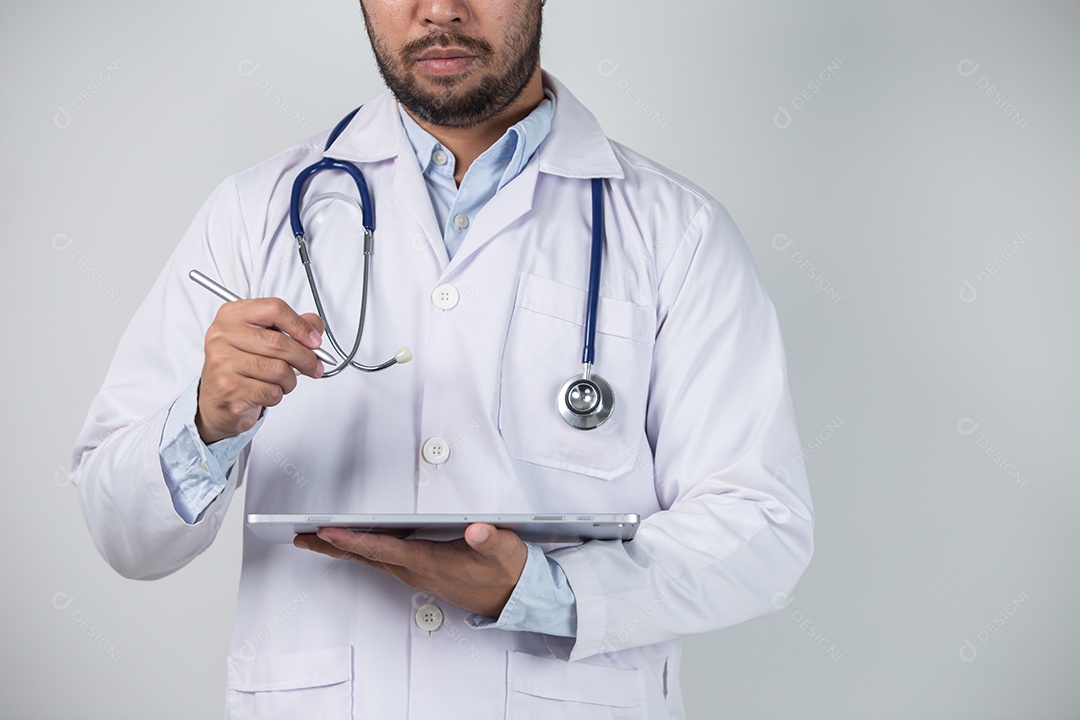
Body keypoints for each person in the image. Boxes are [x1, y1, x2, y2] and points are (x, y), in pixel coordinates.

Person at [71, 1, 814, 717]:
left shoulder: (674, 231)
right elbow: (123, 532)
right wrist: (205, 420)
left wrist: (543, 589)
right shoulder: (254, 214)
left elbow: (760, 529)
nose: (440, 9)